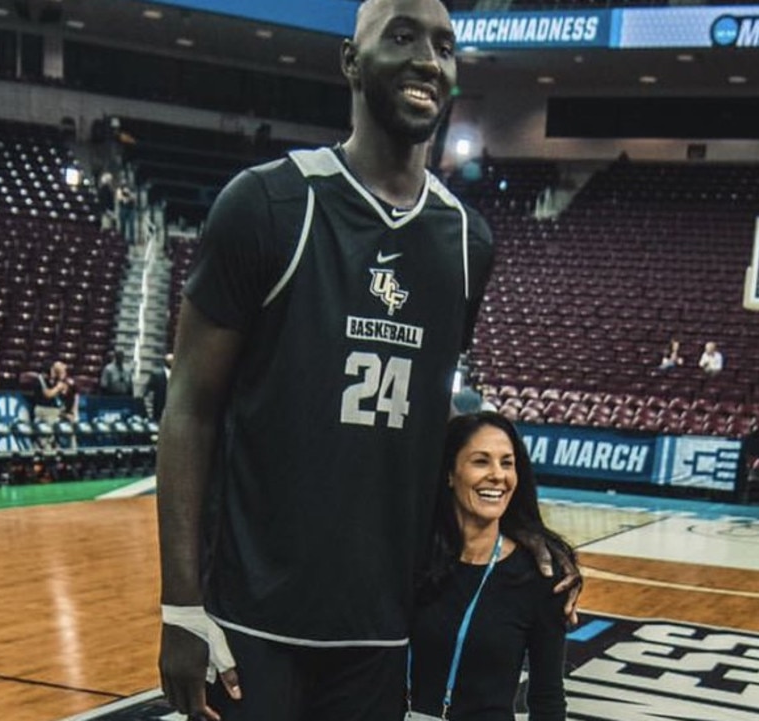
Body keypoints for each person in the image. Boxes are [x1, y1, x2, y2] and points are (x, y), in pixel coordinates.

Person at [156, 2, 579, 719]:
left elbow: (434, 413)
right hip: (255, 617)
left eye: (445, 47)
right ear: (350, 62)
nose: (427, 60)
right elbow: (190, 408)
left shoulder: (467, 242)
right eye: (403, 37)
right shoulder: (267, 204)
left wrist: (523, 527)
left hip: (384, 622)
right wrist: (180, 604)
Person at [408, 412, 571, 721]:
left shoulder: (541, 576)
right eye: (481, 461)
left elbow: (547, 699)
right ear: (450, 473)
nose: (498, 475)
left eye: (507, 463)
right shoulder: (410, 559)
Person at [144, 353, 172, 423]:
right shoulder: (157, 375)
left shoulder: (178, 376)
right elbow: (148, 393)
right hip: (159, 411)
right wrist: (150, 412)